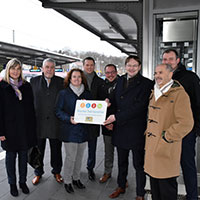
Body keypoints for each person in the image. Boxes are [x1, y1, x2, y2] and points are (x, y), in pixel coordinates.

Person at [104, 55, 153, 200]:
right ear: (125, 66)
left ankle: (140, 193)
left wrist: (116, 118)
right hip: (121, 129)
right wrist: (108, 102)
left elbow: (139, 107)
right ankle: (121, 186)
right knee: (122, 162)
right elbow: (114, 99)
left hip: (136, 130)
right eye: (129, 65)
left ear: (139, 67)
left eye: (135, 65)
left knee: (139, 164)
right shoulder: (120, 80)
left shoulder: (146, 83)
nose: (131, 68)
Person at [144, 63, 194, 200]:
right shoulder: (155, 91)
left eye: (160, 72)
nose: (157, 76)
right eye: (155, 73)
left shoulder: (179, 94)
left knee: (167, 191)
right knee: (156, 190)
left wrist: (166, 137)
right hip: (152, 149)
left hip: (166, 149)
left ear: (170, 74)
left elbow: (186, 123)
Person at [162, 48, 200, 200]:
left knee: (187, 164)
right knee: (168, 165)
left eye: (171, 59)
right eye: (165, 59)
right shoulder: (160, 78)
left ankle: (192, 196)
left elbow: (198, 103)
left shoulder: (190, 78)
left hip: (185, 131)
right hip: (166, 130)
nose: (167, 62)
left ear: (178, 60)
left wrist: (196, 129)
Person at [0, 58, 37, 196]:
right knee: (10, 159)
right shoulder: (2, 87)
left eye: (18, 69)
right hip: (9, 131)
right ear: (8, 70)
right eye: (12, 68)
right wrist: (1, 132)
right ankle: (12, 184)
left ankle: (22, 182)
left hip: (25, 130)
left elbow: (31, 110)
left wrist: (33, 130)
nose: (15, 71)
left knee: (23, 158)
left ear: (21, 71)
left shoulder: (26, 86)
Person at [55, 68, 91, 193]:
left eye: (79, 77)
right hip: (69, 131)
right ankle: (68, 181)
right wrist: (69, 118)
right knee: (70, 157)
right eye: (74, 77)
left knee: (80, 156)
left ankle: (76, 178)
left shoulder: (87, 93)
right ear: (69, 79)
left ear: (82, 79)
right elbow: (58, 111)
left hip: (83, 131)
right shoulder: (63, 93)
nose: (77, 79)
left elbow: (93, 109)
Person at [30, 58, 64, 185]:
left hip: (56, 124)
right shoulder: (33, 81)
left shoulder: (61, 82)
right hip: (39, 124)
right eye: (47, 67)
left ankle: (56, 171)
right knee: (38, 151)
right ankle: (38, 173)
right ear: (42, 68)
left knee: (56, 150)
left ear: (54, 69)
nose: (49, 69)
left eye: (52, 67)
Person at [83, 57, 104, 181]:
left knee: (92, 147)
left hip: (94, 120)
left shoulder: (100, 81)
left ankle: (90, 168)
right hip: (80, 119)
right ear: (83, 65)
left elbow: (102, 98)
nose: (89, 67)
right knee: (76, 146)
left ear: (94, 66)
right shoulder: (77, 79)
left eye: (91, 65)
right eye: (87, 65)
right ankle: (74, 168)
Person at [99, 64, 118, 183]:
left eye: (112, 72)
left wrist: (115, 121)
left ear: (116, 72)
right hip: (106, 123)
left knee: (122, 153)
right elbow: (98, 105)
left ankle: (123, 177)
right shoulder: (101, 86)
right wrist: (106, 122)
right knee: (108, 151)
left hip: (120, 123)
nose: (110, 75)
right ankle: (107, 172)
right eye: (107, 72)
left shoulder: (122, 84)